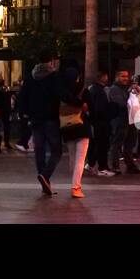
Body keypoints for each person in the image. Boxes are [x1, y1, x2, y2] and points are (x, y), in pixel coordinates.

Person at [19, 50, 63, 195]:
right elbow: (59, 95)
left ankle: (45, 182)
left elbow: (23, 96)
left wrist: (25, 113)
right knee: (56, 150)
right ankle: (45, 175)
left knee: (40, 150)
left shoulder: (30, 77)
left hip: (35, 119)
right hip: (50, 118)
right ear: (50, 61)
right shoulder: (54, 76)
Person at [61, 61, 91, 198]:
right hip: (81, 126)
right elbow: (90, 108)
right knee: (80, 159)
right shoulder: (83, 91)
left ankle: (75, 183)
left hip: (67, 127)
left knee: (73, 157)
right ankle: (76, 186)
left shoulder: (62, 92)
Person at [107, 69, 138, 174]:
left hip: (130, 119)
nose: (126, 78)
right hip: (120, 120)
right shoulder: (114, 89)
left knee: (130, 143)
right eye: (123, 76)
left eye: (126, 76)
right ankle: (115, 166)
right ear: (117, 77)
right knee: (117, 143)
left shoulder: (127, 89)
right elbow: (121, 104)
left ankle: (130, 165)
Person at [85, 71, 114, 177]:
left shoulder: (92, 89)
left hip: (95, 122)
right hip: (101, 122)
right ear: (102, 77)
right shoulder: (99, 90)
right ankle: (102, 168)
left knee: (97, 144)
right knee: (102, 145)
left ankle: (91, 163)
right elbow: (100, 108)